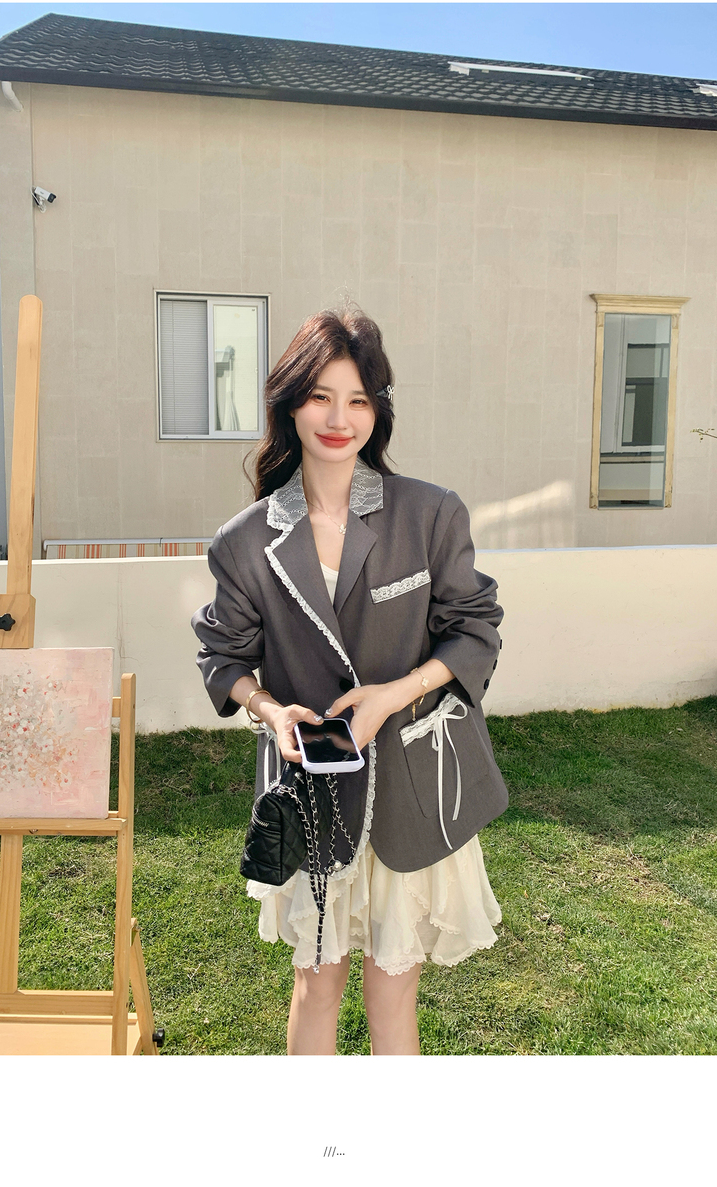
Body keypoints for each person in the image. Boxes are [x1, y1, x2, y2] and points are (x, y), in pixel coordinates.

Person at [192, 306, 508, 1055]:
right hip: (310, 794)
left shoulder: (428, 514)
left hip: (409, 789)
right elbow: (223, 658)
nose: (339, 419)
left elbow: (475, 630)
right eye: (321, 397)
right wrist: (269, 711)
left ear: (378, 410)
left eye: (359, 399)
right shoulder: (245, 542)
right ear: (289, 404)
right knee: (316, 985)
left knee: (392, 992)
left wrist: (393, 696)